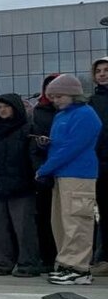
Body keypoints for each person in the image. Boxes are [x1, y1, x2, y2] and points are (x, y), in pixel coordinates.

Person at [36, 74, 102, 285]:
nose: (55, 100)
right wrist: (46, 145)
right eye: (52, 97)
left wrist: (45, 168)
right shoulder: (61, 116)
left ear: (73, 94)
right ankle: (66, 263)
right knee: (61, 222)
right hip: (62, 175)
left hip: (79, 175)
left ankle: (79, 268)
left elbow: (72, 147)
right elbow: (61, 144)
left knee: (77, 222)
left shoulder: (86, 114)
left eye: (58, 96)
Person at [0, 94, 41, 277]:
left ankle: (28, 264)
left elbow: (34, 156)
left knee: (24, 229)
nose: (3, 110)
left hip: (22, 188)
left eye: (6, 106)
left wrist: (37, 180)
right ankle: (2, 263)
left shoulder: (28, 128)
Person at [30, 74, 62, 273]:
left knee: (70, 218)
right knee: (44, 217)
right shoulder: (38, 112)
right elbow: (32, 144)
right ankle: (47, 257)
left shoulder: (74, 111)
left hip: (68, 170)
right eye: (48, 87)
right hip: (43, 171)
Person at [89, 57, 108, 275]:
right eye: (99, 71)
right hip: (101, 164)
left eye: (106, 70)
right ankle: (104, 258)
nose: (102, 74)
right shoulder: (92, 102)